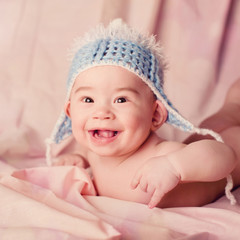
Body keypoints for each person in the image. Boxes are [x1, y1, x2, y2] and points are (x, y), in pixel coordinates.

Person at [46, 19, 240, 208]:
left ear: (155, 115)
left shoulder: (160, 155)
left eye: (121, 100)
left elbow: (225, 156)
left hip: (234, 144)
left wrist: (174, 166)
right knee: (226, 114)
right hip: (203, 140)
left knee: (229, 113)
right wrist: (78, 158)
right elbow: (86, 152)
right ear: (70, 111)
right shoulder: (94, 148)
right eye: (88, 100)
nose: (102, 113)